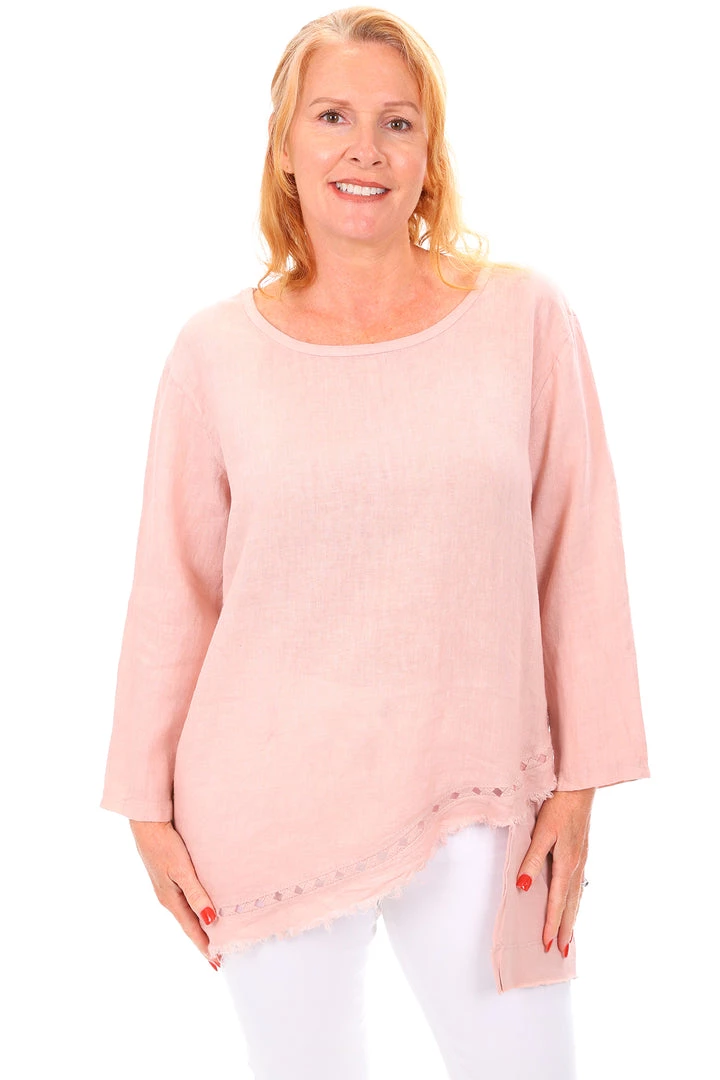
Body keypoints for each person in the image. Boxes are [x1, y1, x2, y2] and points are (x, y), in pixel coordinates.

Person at [99, 6, 651, 1078]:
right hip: (266, 801)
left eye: (398, 123)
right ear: (285, 147)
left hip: (481, 788)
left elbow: (579, 553)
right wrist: (144, 811)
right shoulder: (214, 354)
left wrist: (581, 784)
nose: (366, 148)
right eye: (333, 117)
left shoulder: (524, 320)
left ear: (430, 155)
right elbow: (172, 591)